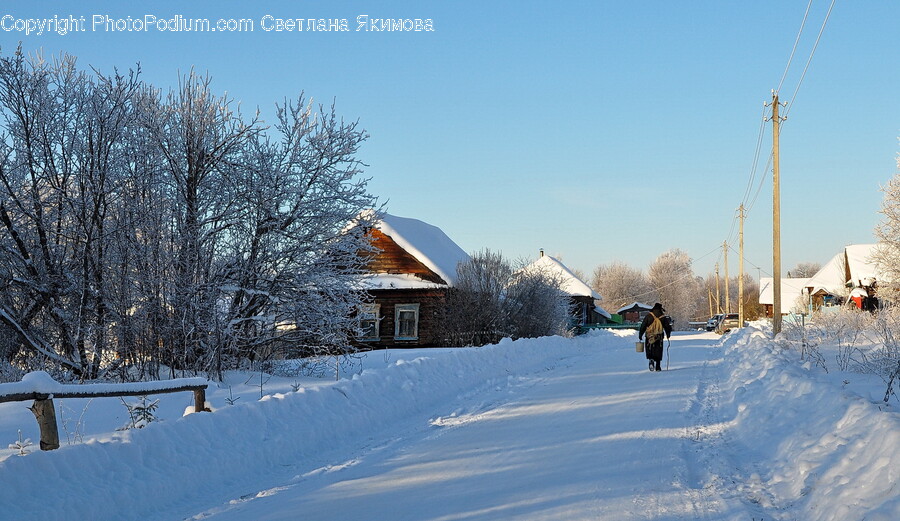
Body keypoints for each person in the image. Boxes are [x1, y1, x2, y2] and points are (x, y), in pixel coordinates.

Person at [638, 302, 672, 372]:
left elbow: (643, 326)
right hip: (659, 337)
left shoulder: (648, 316)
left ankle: (651, 359)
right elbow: (667, 327)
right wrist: (668, 334)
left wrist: (640, 334)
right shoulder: (662, 317)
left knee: (649, 348)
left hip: (649, 336)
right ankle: (658, 366)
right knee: (658, 350)